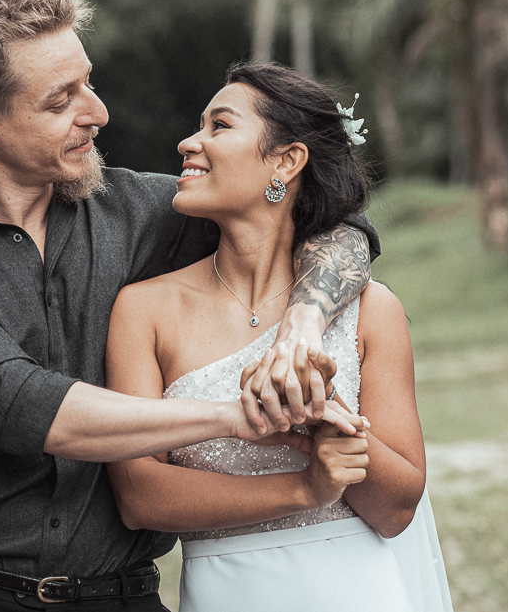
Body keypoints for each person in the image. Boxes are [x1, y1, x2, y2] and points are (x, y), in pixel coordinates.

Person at [0, 0, 379, 611]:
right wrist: (237, 418)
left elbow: (335, 223)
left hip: (123, 597)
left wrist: (304, 317)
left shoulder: (141, 210)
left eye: (88, 83)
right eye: (59, 102)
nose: (96, 113)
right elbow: (18, 404)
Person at [105, 62, 453, 612]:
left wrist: (325, 416)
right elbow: (138, 497)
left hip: (356, 588)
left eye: (219, 126)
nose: (188, 142)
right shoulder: (144, 309)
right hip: (225, 591)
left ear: (287, 162)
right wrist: (306, 487)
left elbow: (398, 509)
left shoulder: (370, 309)